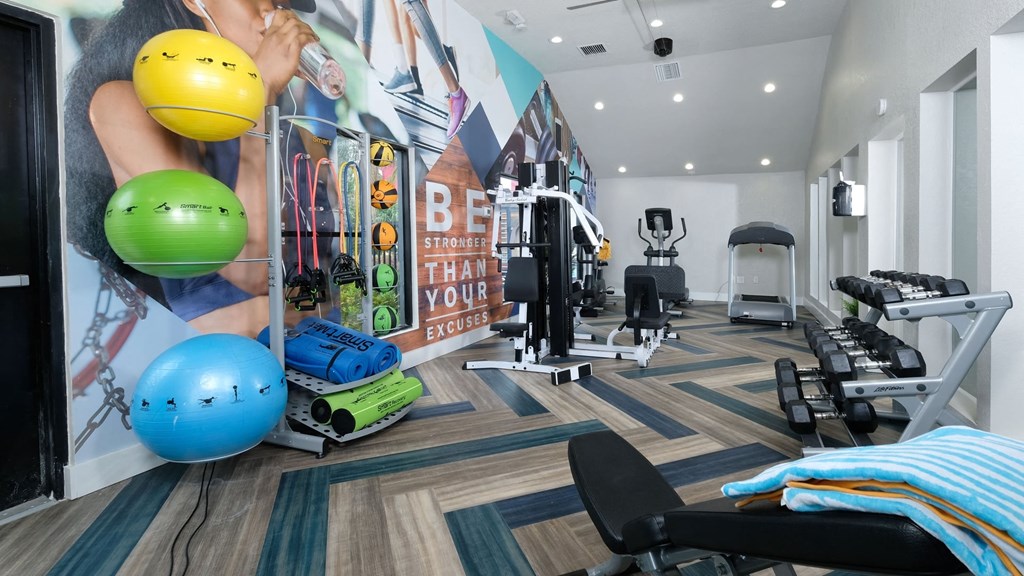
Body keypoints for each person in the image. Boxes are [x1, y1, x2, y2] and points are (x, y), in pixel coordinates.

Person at [65, 0, 325, 337]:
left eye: (278, 3)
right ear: (195, 3)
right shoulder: (124, 104)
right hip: (227, 364)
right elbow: (255, 269)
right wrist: (259, 92)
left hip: (302, 342)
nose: (272, 14)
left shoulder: (271, 122)